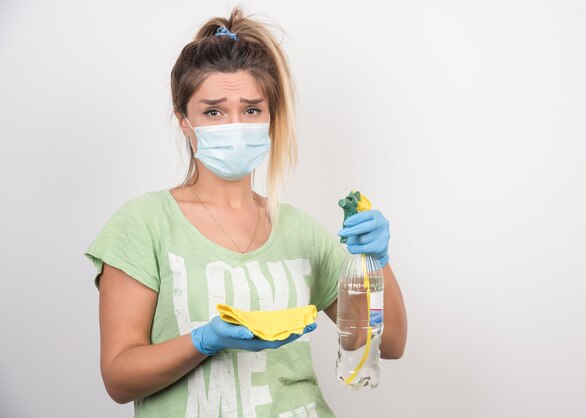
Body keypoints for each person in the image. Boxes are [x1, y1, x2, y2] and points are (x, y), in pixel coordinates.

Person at [84, 7, 407, 418]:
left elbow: (390, 343)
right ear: (184, 122)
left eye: (251, 110)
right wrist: (204, 340)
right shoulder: (143, 224)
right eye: (213, 111)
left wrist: (377, 261)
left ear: (270, 119)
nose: (234, 124)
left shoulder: (300, 231)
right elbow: (118, 378)